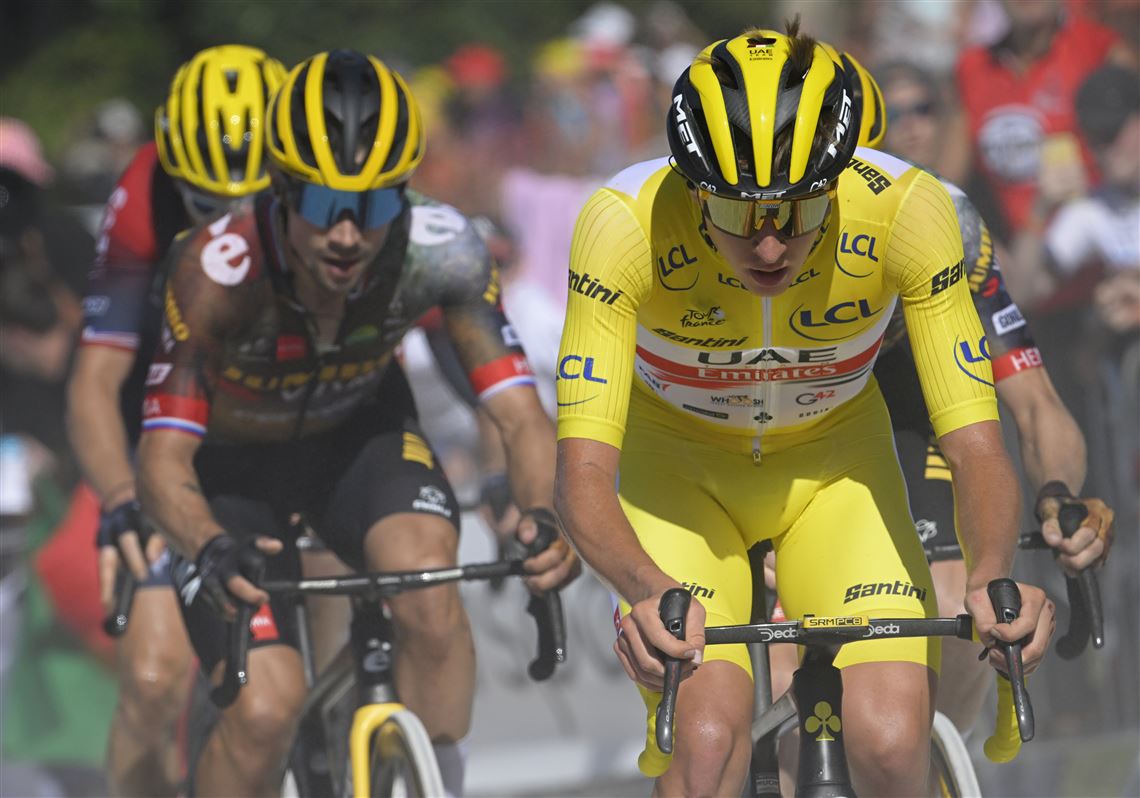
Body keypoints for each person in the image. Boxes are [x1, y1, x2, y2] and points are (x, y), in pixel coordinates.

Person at [554, 24, 1055, 795]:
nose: (769, 246)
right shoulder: (622, 224)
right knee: (708, 746)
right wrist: (646, 588)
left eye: (799, 209)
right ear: (694, 191)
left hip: (836, 474)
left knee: (891, 742)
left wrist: (992, 573)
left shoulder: (910, 212)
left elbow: (976, 444)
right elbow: (582, 473)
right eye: (737, 214)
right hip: (679, 480)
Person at [136, 49, 578, 797]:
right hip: (230, 471)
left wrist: (543, 516)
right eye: (321, 205)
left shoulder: (441, 249)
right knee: (265, 710)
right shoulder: (215, 270)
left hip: (357, 440)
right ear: (281, 190)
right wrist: (207, 545)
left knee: (429, 586)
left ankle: (438, 780)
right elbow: (161, 460)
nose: (346, 235)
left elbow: (519, 414)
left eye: (372, 207)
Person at [866, 55, 1117, 733]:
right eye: (897, 113)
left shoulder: (954, 227)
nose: (912, 126)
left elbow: (1037, 405)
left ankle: (934, 754)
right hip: (802, 403)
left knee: (956, 607)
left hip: (910, 399)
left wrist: (1058, 494)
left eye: (925, 110)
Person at [64, 45, 286, 797]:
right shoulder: (142, 195)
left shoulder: (323, 202)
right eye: (205, 205)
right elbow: (96, 380)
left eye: (253, 204)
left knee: (343, 610)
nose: (229, 230)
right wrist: (122, 498)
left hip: (282, 421)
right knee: (155, 681)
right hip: (167, 431)